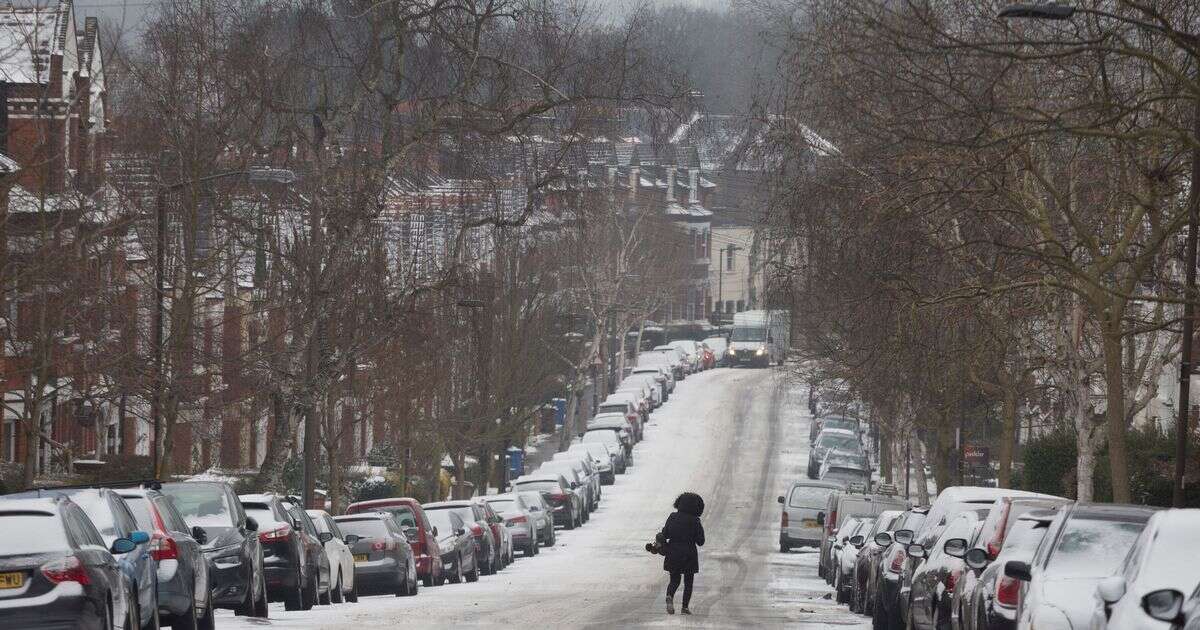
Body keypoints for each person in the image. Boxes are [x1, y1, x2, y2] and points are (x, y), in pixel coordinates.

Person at [659, 492, 705, 615]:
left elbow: (665, 534)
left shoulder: (672, 517)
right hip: (689, 554)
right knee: (688, 582)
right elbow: (701, 541)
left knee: (674, 580)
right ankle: (684, 607)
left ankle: (670, 595)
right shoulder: (695, 521)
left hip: (673, 552)